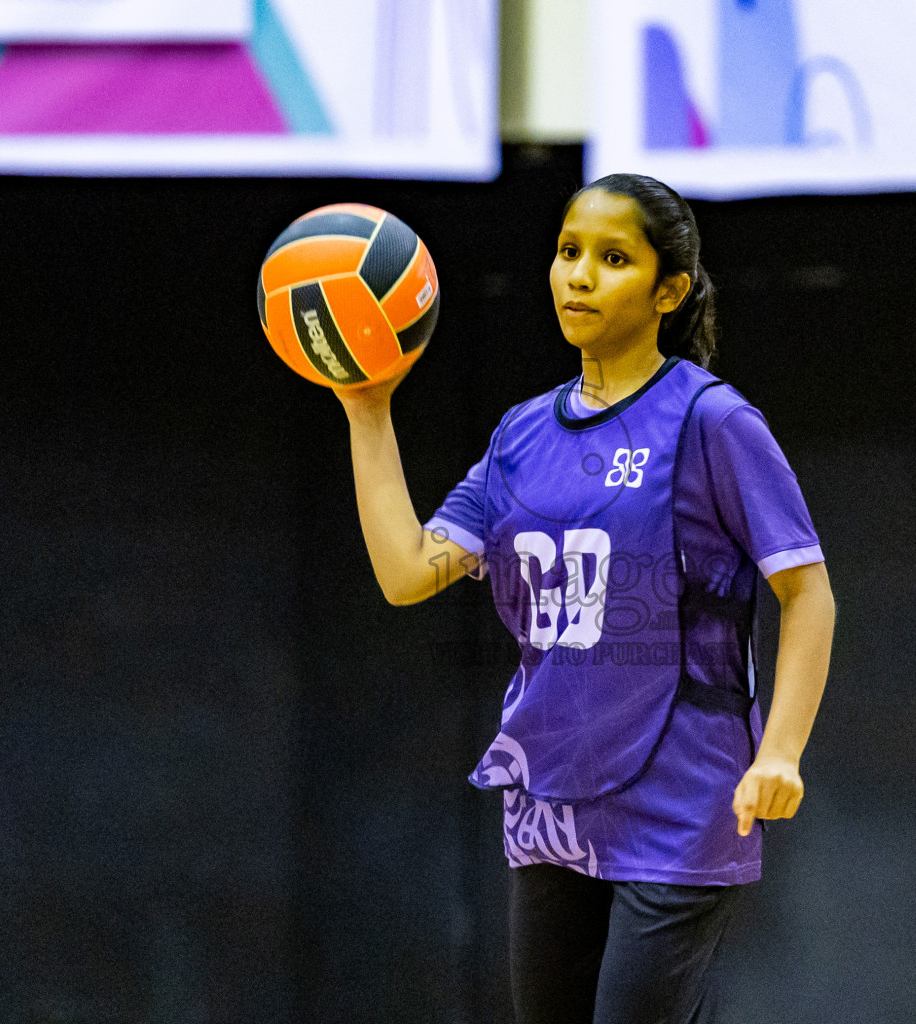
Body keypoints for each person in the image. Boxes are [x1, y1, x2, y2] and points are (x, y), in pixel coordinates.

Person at [334, 173, 834, 1024]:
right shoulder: (522, 434)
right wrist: (366, 407)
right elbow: (408, 570)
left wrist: (779, 751)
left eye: (611, 258)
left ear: (669, 291)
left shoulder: (710, 422)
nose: (578, 275)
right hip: (552, 791)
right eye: (569, 252)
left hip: (683, 790)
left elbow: (808, 591)